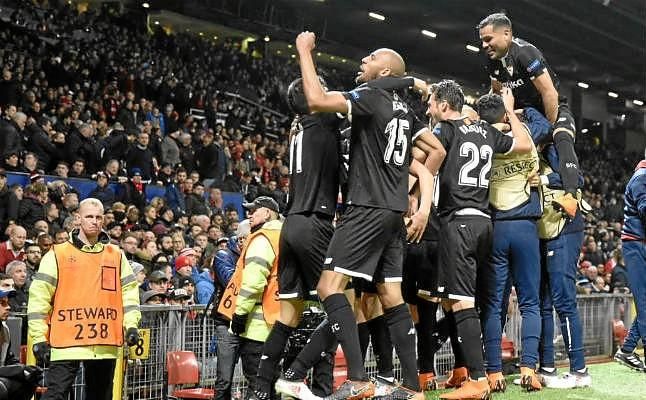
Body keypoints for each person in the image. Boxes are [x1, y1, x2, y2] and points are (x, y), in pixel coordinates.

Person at [277, 32, 437, 400]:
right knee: (390, 294)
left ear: (385, 71)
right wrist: (413, 198)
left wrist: (304, 51)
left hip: (365, 208)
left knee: (329, 287)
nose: (363, 61)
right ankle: (412, 387)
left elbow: (316, 100)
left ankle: (358, 378)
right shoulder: (404, 111)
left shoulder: (370, 96)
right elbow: (436, 151)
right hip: (392, 213)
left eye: (371, 57)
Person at [424, 81, 532, 400]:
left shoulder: (445, 130)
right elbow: (524, 144)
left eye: (432, 102)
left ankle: (477, 379)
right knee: (457, 300)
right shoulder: (486, 131)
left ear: (444, 105)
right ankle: (464, 370)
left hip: (457, 222)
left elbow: (423, 159)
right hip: (484, 222)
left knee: (460, 302)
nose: (429, 107)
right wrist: (509, 110)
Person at [251, 77, 342, 400]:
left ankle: (260, 388)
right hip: (315, 222)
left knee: (288, 316)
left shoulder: (299, 129)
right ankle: (295, 374)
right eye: (320, 88)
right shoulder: (325, 120)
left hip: (291, 224)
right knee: (343, 307)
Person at [27, 198, 141, 400]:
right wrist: (38, 338)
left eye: (98, 217)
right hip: (66, 343)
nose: (94, 221)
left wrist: (131, 325)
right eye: (89, 216)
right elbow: (39, 298)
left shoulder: (116, 255)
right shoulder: (57, 254)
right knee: (55, 396)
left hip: (104, 344)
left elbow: (129, 293)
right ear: (78, 218)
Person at [478, 13, 580, 218]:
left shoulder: (525, 53)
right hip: (523, 113)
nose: (484, 45)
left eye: (488, 39)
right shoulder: (492, 61)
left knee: (561, 135)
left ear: (506, 34)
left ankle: (570, 197)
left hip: (551, 108)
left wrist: (548, 129)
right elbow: (497, 93)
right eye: (481, 40)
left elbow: (549, 93)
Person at [475, 93, 543, 392]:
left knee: (493, 304)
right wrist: (512, 110)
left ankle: (493, 372)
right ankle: (528, 369)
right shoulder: (525, 134)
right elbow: (545, 125)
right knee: (530, 303)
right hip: (525, 226)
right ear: (505, 114)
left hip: (496, 227)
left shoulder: (482, 142)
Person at [532, 144, 591, 388]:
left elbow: (576, 178)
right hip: (543, 231)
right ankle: (547, 366)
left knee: (564, 301)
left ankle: (579, 370)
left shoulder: (554, 149)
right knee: (543, 302)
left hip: (564, 228)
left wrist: (543, 178)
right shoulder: (529, 153)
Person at [217, 196, 283, 398]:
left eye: (255, 210)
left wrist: (240, 314)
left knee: (257, 387)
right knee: (273, 386)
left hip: (257, 328)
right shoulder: (286, 236)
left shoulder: (263, 239)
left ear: (268, 213)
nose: (250, 214)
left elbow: (253, 283)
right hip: (280, 324)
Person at [615, 154, 646, 371]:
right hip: (636, 244)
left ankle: (626, 350)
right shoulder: (641, 177)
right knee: (643, 302)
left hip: (640, 242)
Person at [0, 288, 42, 400]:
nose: (8, 307)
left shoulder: (4, 329)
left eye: (7, 303)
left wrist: (27, 369)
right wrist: (18, 370)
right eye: (2, 303)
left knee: (30, 379)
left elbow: (8, 359)